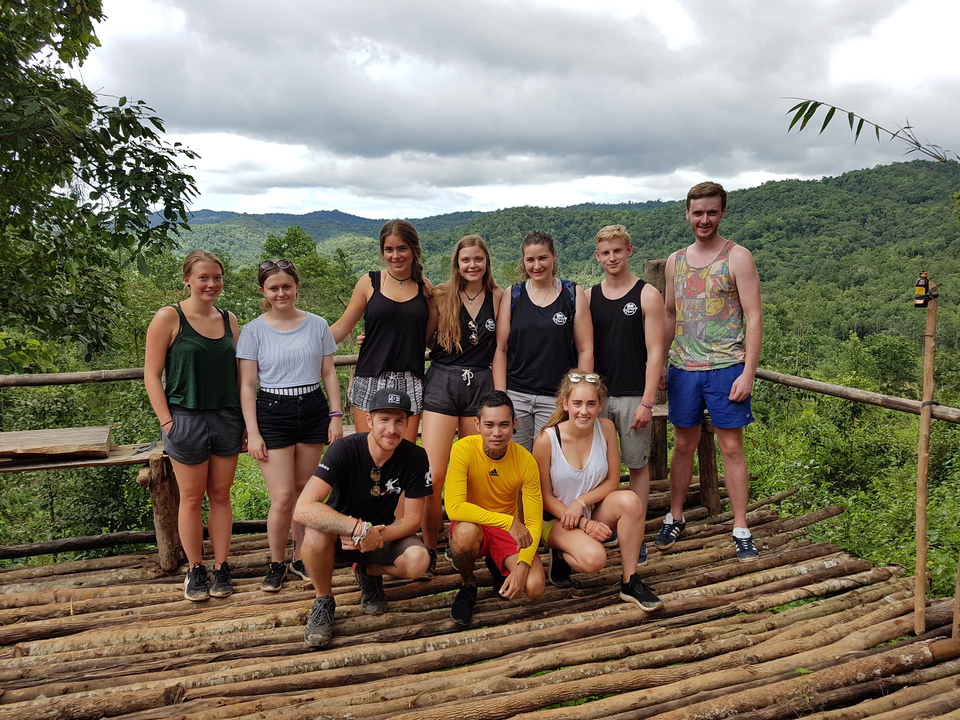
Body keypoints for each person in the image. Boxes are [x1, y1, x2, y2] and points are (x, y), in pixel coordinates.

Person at [657, 182, 763, 561]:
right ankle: (675, 515)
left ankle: (740, 526)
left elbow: (754, 317)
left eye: (712, 212)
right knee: (683, 444)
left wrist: (748, 372)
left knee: (731, 446)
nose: (704, 219)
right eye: (698, 212)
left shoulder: (738, 257)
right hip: (683, 367)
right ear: (687, 214)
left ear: (723, 213)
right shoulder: (675, 261)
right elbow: (670, 314)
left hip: (725, 366)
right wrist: (661, 362)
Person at [237, 259, 344, 592]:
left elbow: (329, 372)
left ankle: (301, 557)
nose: (281, 293)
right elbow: (247, 386)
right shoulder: (253, 331)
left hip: (312, 408)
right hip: (272, 411)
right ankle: (276, 561)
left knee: (303, 491)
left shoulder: (317, 325)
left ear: (297, 287)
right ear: (263, 291)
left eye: (286, 286)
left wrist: (336, 415)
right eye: (273, 288)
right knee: (282, 497)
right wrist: (253, 431)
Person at [293, 389, 431, 648]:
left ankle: (367, 572)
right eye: (384, 420)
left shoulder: (416, 457)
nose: (391, 429)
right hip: (339, 538)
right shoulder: (344, 449)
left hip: (381, 536)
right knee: (314, 532)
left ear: (409, 423)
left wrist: (376, 536)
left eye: (399, 421)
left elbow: (413, 519)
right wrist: (357, 528)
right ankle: (323, 600)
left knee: (419, 561)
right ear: (369, 420)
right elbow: (303, 507)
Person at [144, 249, 244, 602]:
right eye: (203, 277)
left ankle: (221, 566)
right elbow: (152, 374)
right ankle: (195, 569)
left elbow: (239, 376)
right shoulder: (169, 317)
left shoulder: (229, 320)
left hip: (226, 417)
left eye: (217, 277)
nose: (211, 284)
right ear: (187, 279)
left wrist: (245, 422)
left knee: (220, 495)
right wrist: (168, 422)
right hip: (184, 417)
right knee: (190, 498)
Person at [533, 371, 662, 610]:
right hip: (556, 519)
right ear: (565, 404)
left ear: (600, 405)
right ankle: (560, 551)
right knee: (594, 560)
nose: (584, 411)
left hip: (590, 509)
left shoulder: (606, 428)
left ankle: (630, 581)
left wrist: (581, 502)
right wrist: (583, 523)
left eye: (591, 404)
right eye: (577, 404)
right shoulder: (546, 440)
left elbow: (613, 481)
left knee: (631, 500)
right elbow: (544, 497)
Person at [419, 235, 503, 578]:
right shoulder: (442, 295)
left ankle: (467, 544)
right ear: (456, 262)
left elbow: (507, 344)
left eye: (478, 259)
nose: (472, 265)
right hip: (442, 381)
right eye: (465, 259)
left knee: (474, 473)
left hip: (481, 384)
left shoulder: (499, 297)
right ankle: (429, 547)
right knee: (434, 475)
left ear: (486, 262)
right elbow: (423, 338)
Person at [587, 224, 664, 567]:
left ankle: (636, 534)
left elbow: (656, 351)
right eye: (605, 252)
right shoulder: (589, 297)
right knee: (599, 467)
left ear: (629, 251)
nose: (612, 258)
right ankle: (601, 528)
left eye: (617, 250)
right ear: (597, 256)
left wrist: (648, 401)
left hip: (634, 394)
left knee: (636, 465)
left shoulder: (647, 294)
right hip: (599, 397)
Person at [444, 391, 546, 626]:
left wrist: (522, 568)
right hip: (476, 524)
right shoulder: (463, 449)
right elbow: (454, 508)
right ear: (477, 424)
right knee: (465, 534)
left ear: (514, 424)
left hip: (505, 533)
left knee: (534, 587)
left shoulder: (526, 461)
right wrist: (508, 521)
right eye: (489, 425)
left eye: (504, 425)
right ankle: (468, 584)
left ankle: (497, 564)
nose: (496, 433)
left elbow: (534, 522)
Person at [331, 220, 433, 443]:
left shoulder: (425, 287)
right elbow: (342, 326)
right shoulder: (369, 282)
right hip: (370, 377)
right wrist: (302, 339)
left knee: (403, 456)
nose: (395, 256)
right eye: (389, 249)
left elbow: (427, 337)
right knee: (368, 453)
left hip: (410, 380)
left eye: (402, 248)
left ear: (414, 249)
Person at [493, 230, 593, 451]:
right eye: (530, 259)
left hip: (556, 398)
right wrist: (501, 397)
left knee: (550, 462)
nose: (536, 265)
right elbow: (500, 348)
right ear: (523, 261)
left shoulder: (572, 294)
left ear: (554, 256)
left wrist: (578, 394)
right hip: (516, 395)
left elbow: (585, 349)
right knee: (514, 461)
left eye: (542, 258)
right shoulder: (513, 294)